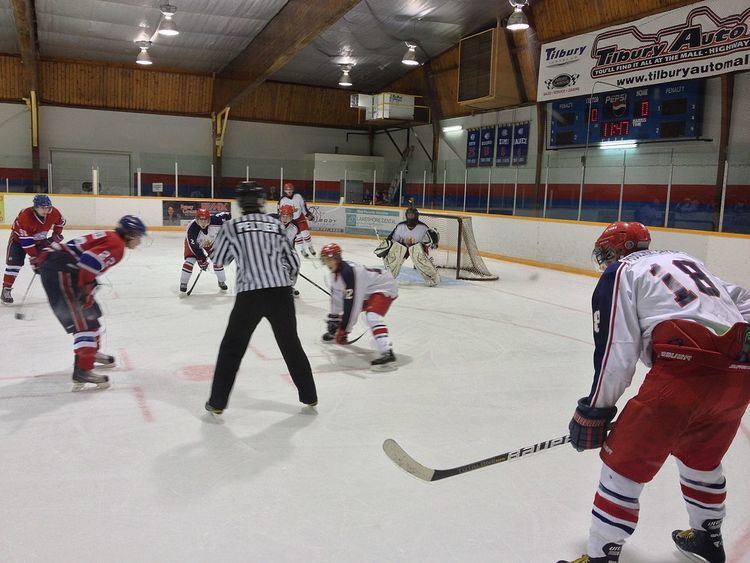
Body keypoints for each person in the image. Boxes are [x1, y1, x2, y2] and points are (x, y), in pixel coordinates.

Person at [558, 221, 750, 563]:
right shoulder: (683, 259)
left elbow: (617, 350)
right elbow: (741, 298)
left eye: (605, 254)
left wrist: (595, 410)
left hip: (684, 372)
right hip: (739, 376)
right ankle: (708, 537)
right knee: (700, 457)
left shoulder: (621, 271)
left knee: (624, 462)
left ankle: (601, 556)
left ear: (616, 251)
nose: (604, 261)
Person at [205, 182, 317, 416]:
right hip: (281, 294)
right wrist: (285, 282)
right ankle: (309, 395)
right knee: (290, 344)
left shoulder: (231, 226)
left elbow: (221, 260)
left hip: (250, 295)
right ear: (262, 202)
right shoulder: (276, 224)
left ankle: (217, 402)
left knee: (232, 348)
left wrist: (211, 248)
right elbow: (293, 261)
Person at [34, 216, 147, 391]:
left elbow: (78, 250)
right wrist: (84, 289)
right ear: (130, 235)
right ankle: (83, 370)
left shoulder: (112, 237)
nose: (139, 241)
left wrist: (51, 252)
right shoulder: (117, 246)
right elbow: (89, 262)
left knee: (92, 314)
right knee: (84, 321)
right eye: (139, 237)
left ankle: (90, 353)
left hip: (63, 267)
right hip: (63, 272)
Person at [320, 242, 398, 367]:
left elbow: (353, 307)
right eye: (325, 260)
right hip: (369, 290)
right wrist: (333, 320)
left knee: (371, 316)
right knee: (349, 310)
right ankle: (337, 330)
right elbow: (337, 300)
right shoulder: (335, 276)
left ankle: (387, 351)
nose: (328, 263)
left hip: (384, 286)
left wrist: (345, 330)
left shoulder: (350, 274)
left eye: (331, 259)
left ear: (338, 258)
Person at [2, 194, 66, 304]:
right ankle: (6, 289)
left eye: (48, 207)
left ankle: (55, 291)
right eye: (42, 207)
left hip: (40, 241)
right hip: (18, 241)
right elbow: (26, 242)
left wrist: (56, 234)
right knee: (14, 265)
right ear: (35, 207)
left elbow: (60, 222)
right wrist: (35, 258)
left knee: (48, 264)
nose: (46, 210)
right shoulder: (25, 216)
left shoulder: (54, 212)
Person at [376, 207, 440, 286]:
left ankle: (432, 277)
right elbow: (392, 240)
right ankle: (390, 275)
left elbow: (429, 242)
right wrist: (385, 249)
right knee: (397, 250)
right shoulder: (400, 226)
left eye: (412, 215)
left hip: (418, 249)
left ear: (416, 216)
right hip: (403, 248)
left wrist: (434, 242)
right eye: (409, 215)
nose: (410, 217)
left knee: (417, 252)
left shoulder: (423, 228)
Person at [180, 208, 232, 293]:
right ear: (196, 220)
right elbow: (195, 247)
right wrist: (202, 259)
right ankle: (183, 283)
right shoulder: (192, 229)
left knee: (217, 261)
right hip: (195, 244)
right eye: (200, 221)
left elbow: (228, 215)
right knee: (190, 260)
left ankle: (221, 281)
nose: (203, 223)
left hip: (210, 240)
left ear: (209, 219)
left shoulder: (217, 220)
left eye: (205, 220)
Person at [267, 204, 301, 297]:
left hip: (286, 251)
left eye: (289, 216)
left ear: (292, 217)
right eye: (283, 216)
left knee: (295, 266)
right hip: (269, 250)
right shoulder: (271, 220)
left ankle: (289, 286)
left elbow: (291, 243)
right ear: (280, 214)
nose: (285, 219)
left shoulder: (295, 227)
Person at [278, 182, 315, 258]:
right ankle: (302, 250)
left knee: (305, 233)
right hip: (291, 221)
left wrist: (308, 214)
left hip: (300, 217)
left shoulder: (298, 196)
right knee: (297, 236)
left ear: (293, 190)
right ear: (284, 190)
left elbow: (303, 207)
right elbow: (279, 211)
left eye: (290, 189)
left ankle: (310, 246)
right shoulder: (282, 200)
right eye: (287, 190)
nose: (289, 191)